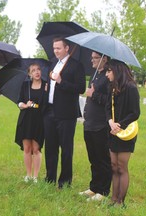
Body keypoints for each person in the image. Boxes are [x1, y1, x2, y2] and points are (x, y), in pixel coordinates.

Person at [43, 38, 86, 188]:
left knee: (66, 149)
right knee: (50, 147)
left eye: (59, 48)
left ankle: (65, 182)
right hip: (49, 111)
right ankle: (50, 178)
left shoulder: (76, 66)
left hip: (66, 114)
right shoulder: (53, 64)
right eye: (54, 48)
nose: (55, 51)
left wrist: (61, 81)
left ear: (67, 48)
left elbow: (81, 88)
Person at [105, 59, 140, 208]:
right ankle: (113, 199)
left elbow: (135, 112)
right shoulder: (112, 88)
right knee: (113, 165)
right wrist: (110, 122)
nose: (106, 74)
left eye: (109, 71)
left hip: (126, 132)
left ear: (117, 71)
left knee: (121, 166)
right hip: (113, 130)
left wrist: (120, 125)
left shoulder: (131, 88)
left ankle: (120, 201)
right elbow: (107, 107)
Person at [79, 51, 112, 201]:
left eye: (95, 58)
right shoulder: (94, 74)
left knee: (102, 158)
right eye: (91, 57)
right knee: (93, 158)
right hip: (89, 123)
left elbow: (110, 100)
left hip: (101, 124)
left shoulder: (109, 76)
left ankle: (103, 191)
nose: (91, 60)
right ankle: (94, 187)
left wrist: (93, 95)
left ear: (104, 59)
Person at [15, 63, 47, 183]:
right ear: (29, 74)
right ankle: (28, 175)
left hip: (39, 120)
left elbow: (46, 104)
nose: (37, 72)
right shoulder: (25, 85)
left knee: (36, 149)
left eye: (38, 69)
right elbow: (19, 102)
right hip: (26, 119)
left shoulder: (46, 85)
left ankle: (35, 176)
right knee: (27, 148)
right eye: (33, 70)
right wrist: (24, 105)